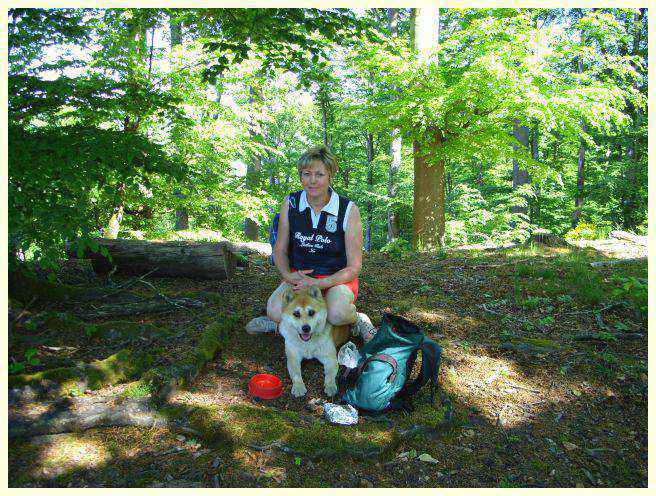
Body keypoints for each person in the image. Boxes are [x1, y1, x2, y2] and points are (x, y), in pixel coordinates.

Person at [246, 145, 375, 341]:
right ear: (300, 176)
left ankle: (356, 320)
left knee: (337, 313)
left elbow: (354, 267)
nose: (312, 180)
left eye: (320, 174)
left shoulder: (348, 209)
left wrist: (319, 284)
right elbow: (280, 250)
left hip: (336, 279)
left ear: (330, 175)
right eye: (307, 174)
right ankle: (277, 321)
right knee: (274, 309)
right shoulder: (291, 203)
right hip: (300, 279)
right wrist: (289, 275)